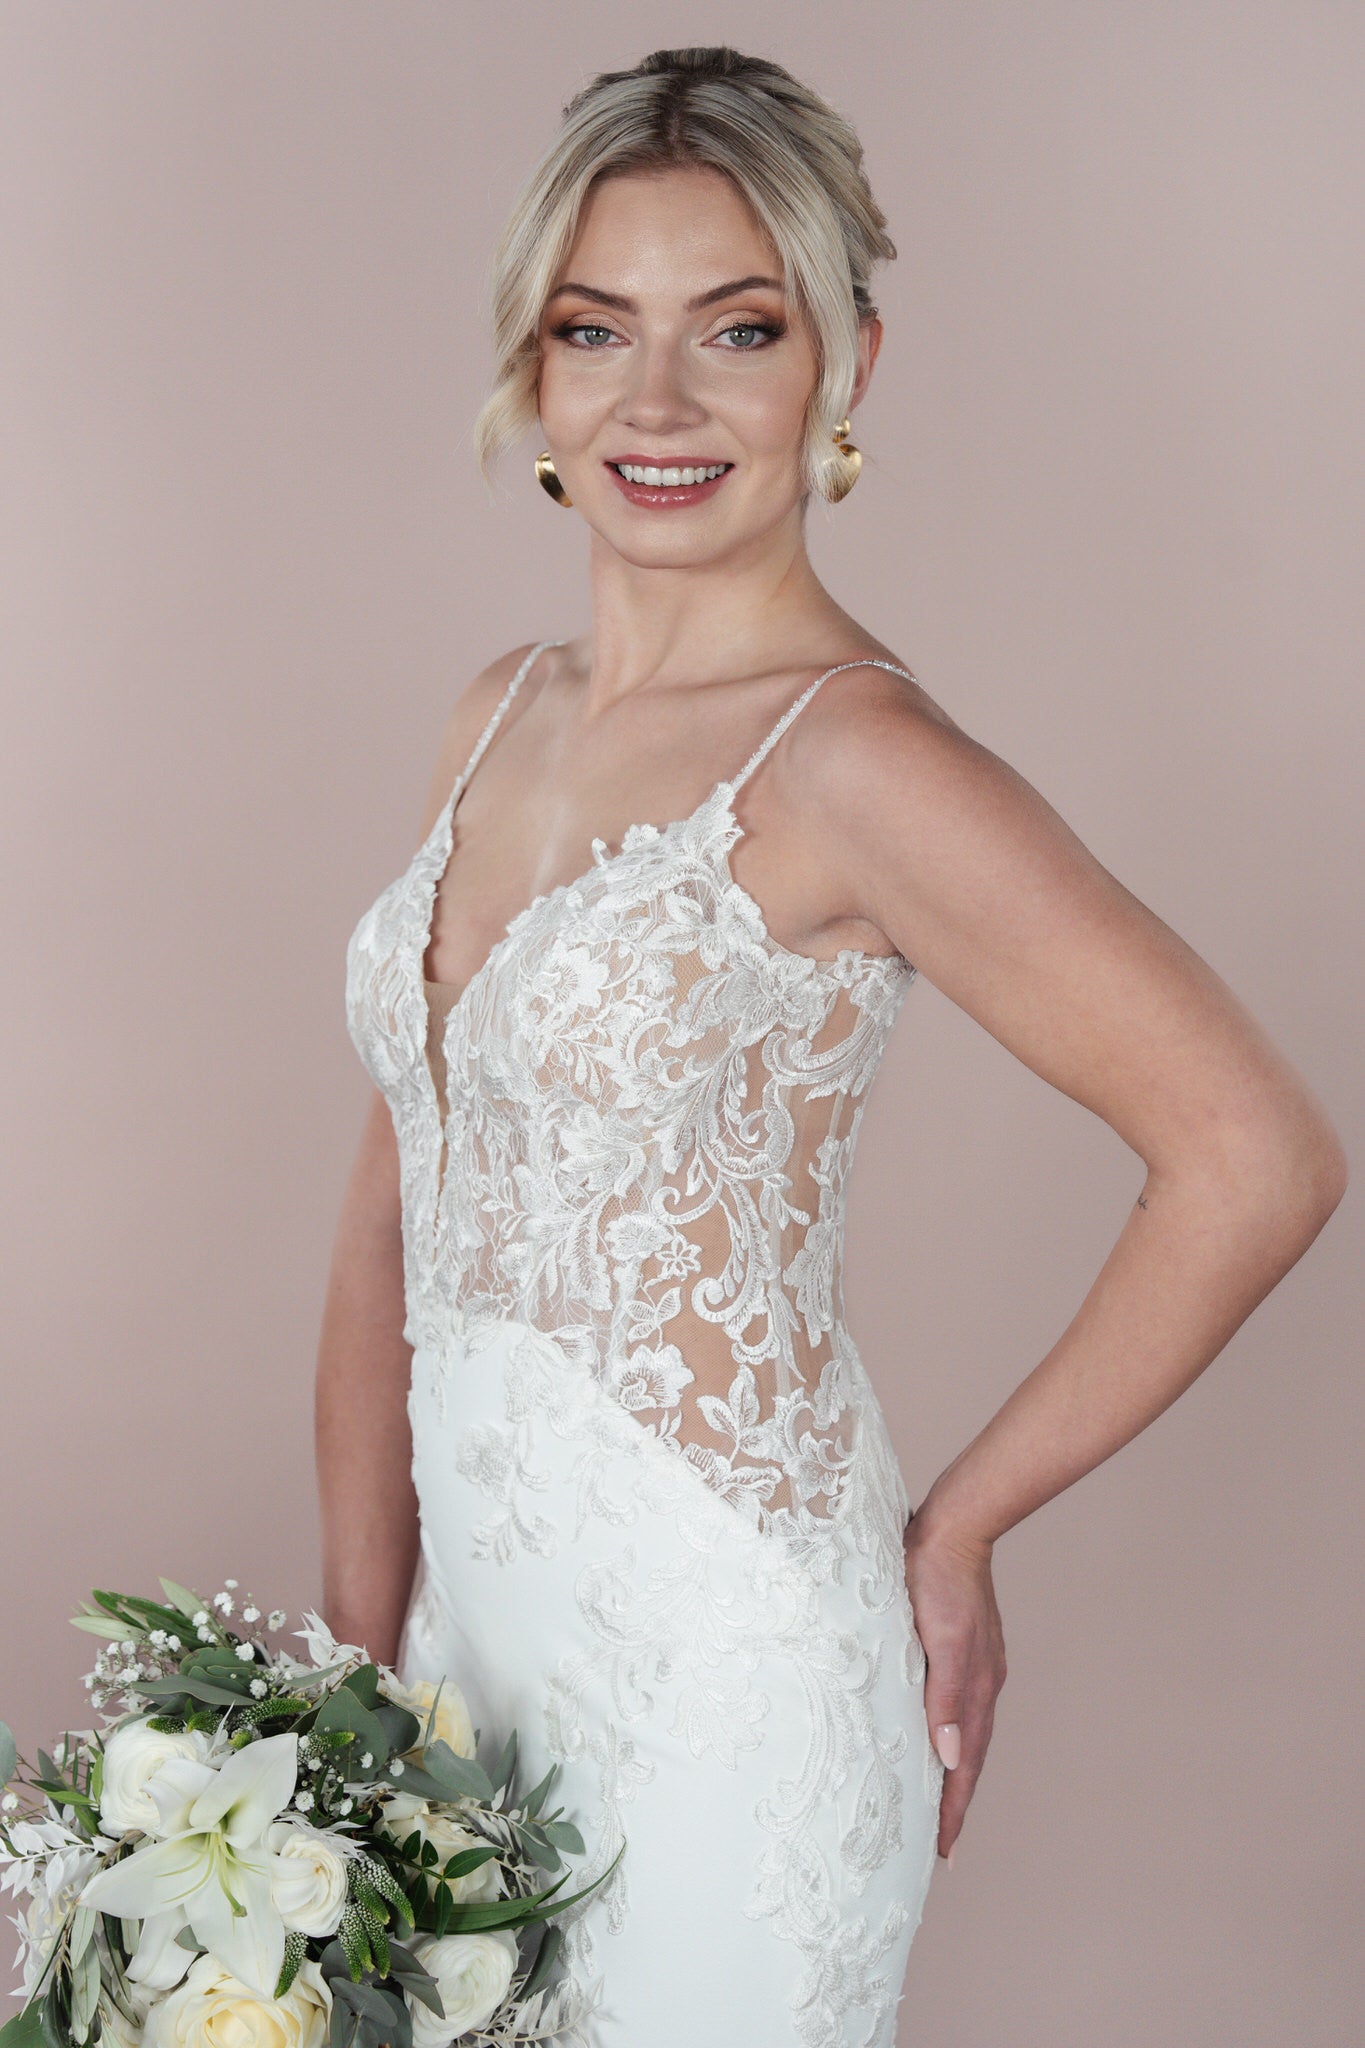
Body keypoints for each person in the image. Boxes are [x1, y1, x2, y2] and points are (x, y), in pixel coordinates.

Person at [318, 45, 1347, 2046]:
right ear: (531, 365)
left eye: (739, 329)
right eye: (593, 329)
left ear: (846, 363)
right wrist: (354, 1655)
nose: (657, 402)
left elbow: (1255, 1155)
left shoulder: (854, 763)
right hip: (463, 1678)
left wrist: (955, 1523)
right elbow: (394, 1198)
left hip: (726, 1696)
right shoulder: (495, 712)